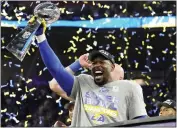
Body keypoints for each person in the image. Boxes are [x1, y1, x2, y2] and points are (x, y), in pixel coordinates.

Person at [30, 17, 147, 126]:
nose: (97, 66)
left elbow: (141, 122)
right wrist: (40, 37)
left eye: (102, 63)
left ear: (111, 68)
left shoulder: (130, 87)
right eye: (94, 63)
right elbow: (56, 70)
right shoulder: (83, 83)